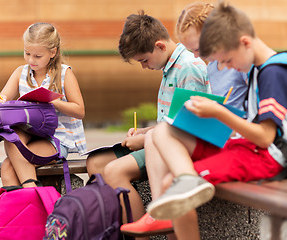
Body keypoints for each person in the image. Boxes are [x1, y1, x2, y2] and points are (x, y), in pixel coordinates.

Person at [143, 2, 287, 239]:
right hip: (248, 149)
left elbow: (266, 138)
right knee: (162, 133)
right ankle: (189, 179)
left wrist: (218, 112)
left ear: (244, 43)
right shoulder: (260, 68)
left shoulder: (272, 72)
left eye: (227, 60)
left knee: (170, 183)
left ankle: (188, 181)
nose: (226, 67)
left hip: (267, 158)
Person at [86, 10, 211, 239]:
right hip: (160, 142)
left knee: (113, 171)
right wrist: (146, 132)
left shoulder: (188, 68)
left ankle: (143, 233)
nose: (144, 67)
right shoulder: (169, 68)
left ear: (160, 46)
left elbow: (187, 127)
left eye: (144, 60)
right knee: (96, 163)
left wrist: (143, 139)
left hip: (179, 148)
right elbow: (171, 122)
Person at [0, 22, 87, 188]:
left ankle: (31, 193)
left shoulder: (65, 74)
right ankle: (31, 196)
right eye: (27, 53)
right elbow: (2, 101)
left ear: (53, 52)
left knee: (8, 167)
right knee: (12, 137)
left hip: (57, 138)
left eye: (37, 56)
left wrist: (54, 101)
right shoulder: (21, 72)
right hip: (29, 133)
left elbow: (79, 111)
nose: (30, 60)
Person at [176, 2, 248, 110]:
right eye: (191, 50)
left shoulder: (243, 63)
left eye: (198, 49)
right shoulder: (211, 67)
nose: (196, 56)